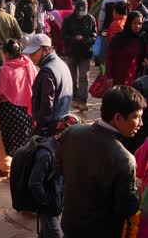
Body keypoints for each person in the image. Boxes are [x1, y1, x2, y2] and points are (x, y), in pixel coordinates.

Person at [55, 85, 143, 237]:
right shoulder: (124, 160)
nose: (140, 123)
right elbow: (127, 208)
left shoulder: (72, 132)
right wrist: (137, 189)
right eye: (136, 117)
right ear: (117, 118)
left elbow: (58, 168)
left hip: (71, 224)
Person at [29, 114, 81, 238]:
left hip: (57, 203)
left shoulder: (64, 147)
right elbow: (34, 183)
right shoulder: (46, 154)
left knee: (45, 234)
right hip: (49, 208)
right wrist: (46, 201)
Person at [0, 39, 37, 177]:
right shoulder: (28, 64)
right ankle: (24, 168)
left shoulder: (5, 70)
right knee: (24, 140)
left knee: (3, 140)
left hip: (8, 110)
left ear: (6, 54)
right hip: (28, 108)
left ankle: (5, 167)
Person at [23, 34, 72, 137]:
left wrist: (39, 131)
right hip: (62, 125)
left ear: (46, 50)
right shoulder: (61, 64)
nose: (30, 57)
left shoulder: (47, 72)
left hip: (50, 130)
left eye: (33, 53)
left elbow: (46, 108)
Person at [61, 0, 97, 112]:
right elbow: (63, 36)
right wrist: (73, 39)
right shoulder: (68, 20)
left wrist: (85, 40)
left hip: (85, 53)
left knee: (83, 77)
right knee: (72, 77)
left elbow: (94, 36)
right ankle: (74, 97)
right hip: (71, 52)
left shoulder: (90, 19)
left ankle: (82, 100)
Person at [106, 11, 146, 86]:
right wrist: (109, 77)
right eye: (134, 23)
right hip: (118, 77)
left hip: (135, 78)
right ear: (129, 23)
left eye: (139, 23)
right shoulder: (118, 38)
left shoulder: (142, 38)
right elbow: (109, 58)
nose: (137, 26)